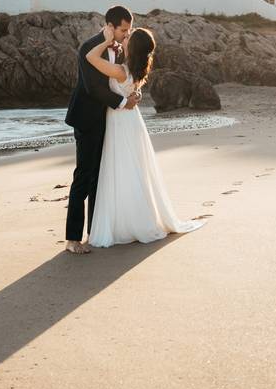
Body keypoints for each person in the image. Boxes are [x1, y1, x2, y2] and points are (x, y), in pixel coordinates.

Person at [84, 23, 205, 248]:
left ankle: (127, 222)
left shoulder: (121, 71)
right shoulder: (136, 71)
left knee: (121, 168)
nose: (125, 38)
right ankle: (134, 218)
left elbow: (90, 56)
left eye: (129, 38)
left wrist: (104, 40)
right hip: (130, 121)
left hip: (120, 121)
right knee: (132, 169)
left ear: (134, 47)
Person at [63, 6, 140, 254]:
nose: (126, 35)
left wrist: (131, 92)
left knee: (100, 177)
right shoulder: (89, 47)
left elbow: (119, 80)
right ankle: (72, 239)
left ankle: (95, 233)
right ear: (109, 26)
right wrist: (122, 103)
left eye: (128, 30)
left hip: (107, 120)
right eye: (123, 30)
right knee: (84, 177)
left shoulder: (117, 48)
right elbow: (92, 88)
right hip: (87, 119)